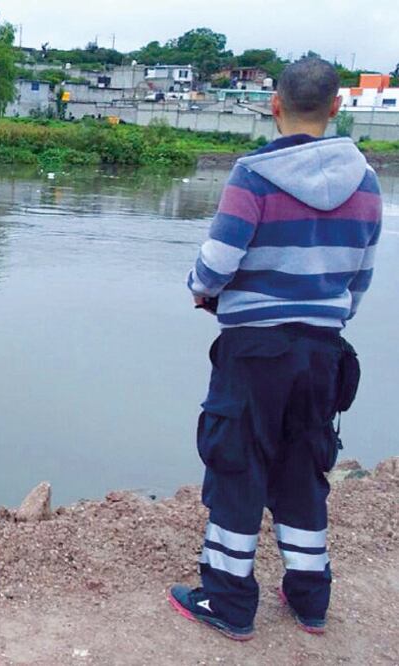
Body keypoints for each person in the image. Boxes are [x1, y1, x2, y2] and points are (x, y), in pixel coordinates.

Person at [168, 57, 382, 640]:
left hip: (255, 351)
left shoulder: (254, 176)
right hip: (323, 350)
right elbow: (359, 279)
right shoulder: (367, 180)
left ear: (274, 105)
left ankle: (228, 601)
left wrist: (200, 292)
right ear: (337, 107)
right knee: (303, 465)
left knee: (237, 464)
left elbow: (216, 263)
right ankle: (310, 597)